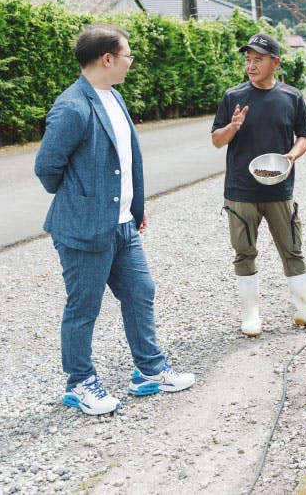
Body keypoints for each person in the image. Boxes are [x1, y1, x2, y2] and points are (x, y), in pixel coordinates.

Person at [34, 24, 195, 416]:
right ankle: (79, 384)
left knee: (140, 292)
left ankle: (149, 371)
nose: (131, 62)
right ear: (107, 58)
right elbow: (46, 169)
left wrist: (133, 208)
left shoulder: (113, 96)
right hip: (84, 229)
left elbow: (125, 162)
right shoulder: (72, 107)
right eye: (128, 55)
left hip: (123, 224)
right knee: (83, 307)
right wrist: (86, 201)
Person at [211, 32, 306, 337]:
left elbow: (304, 136)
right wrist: (232, 127)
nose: (251, 65)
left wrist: (291, 156)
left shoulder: (291, 96)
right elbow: (216, 140)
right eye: (248, 59)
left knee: (293, 250)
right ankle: (250, 314)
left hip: (280, 188)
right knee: (244, 252)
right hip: (241, 190)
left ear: (275, 63)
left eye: (258, 60)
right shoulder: (233, 97)